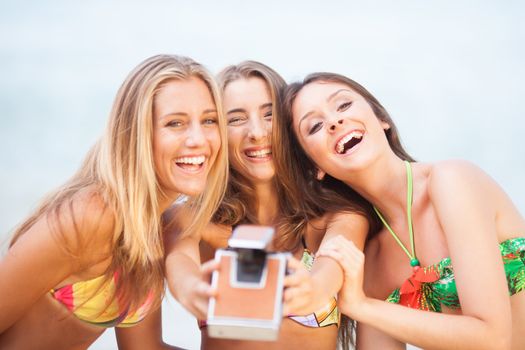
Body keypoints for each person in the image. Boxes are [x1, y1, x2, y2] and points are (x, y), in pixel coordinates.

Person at [280, 72, 525, 349]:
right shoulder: (370, 261)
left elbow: (494, 338)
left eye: (344, 105)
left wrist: (361, 305)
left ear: (382, 120)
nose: (335, 121)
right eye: (314, 126)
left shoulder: (451, 181)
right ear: (315, 167)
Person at [0, 54, 228, 350]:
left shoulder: (147, 227)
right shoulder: (91, 216)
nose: (198, 139)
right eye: (175, 123)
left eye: (209, 120)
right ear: (137, 134)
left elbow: (144, 349)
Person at [164, 61, 374, 350]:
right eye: (236, 119)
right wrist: (191, 291)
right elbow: (181, 263)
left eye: (269, 114)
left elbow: (330, 269)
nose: (258, 133)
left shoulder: (337, 216)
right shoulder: (193, 218)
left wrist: (310, 290)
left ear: (289, 123)